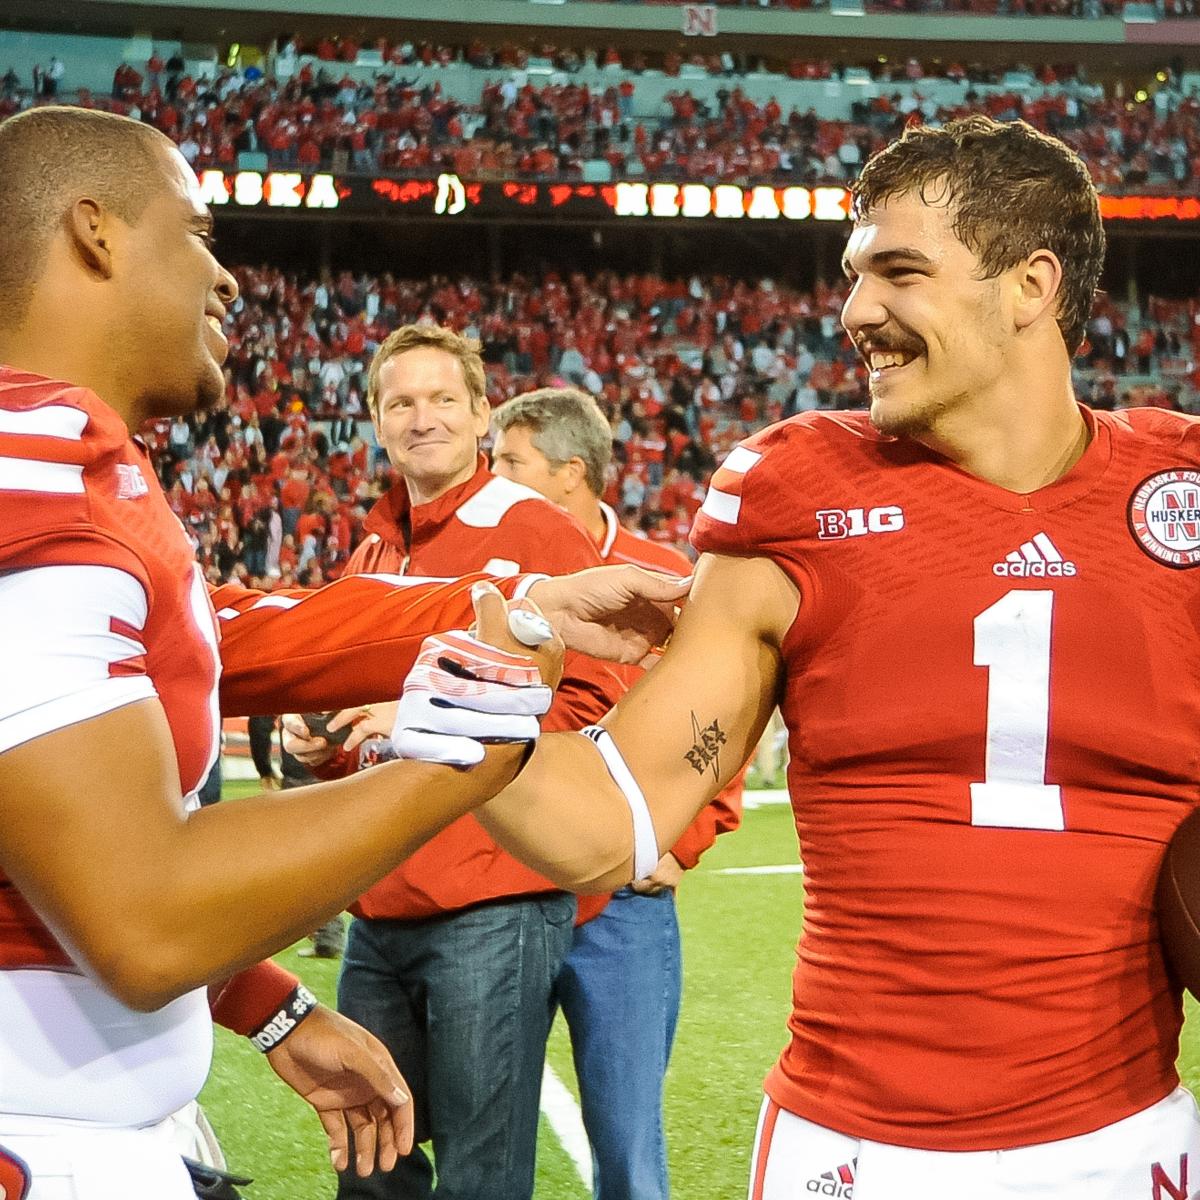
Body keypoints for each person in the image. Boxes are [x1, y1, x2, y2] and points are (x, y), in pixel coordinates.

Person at [421, 115, 1200, 1200]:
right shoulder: (801, 488)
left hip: (1128, 1145)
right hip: (855, 1155)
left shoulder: (1178, 499)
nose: (855, 313)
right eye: (853, 275)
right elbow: (609, 826)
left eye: (899, 272)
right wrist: (487, 694)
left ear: (1030, 285)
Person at [0, 106, 686, 1200]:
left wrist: (526, 602)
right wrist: (458, 763)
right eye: (197, 234)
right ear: (96, 233)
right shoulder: (32, 461)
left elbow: (224, 633)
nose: (226, 281)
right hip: (43, 1135)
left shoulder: (58, 459)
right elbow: (140, 914)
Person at [282, 328, 626, 1200]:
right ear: (376, 424)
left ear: (481, 414)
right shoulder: (371, 552)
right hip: (382, 900)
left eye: (443, 399)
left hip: (493, 899)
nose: (422, 418)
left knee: (481, 1173)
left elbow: (594, 708)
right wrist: (323, 742)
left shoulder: (535, 530)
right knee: (368, 1164)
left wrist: (422, 714)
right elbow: (369, 741)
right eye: (401, 402)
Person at [491, 386, 742, 1200]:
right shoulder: (486, 580)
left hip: (626, 910)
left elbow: (731, 727)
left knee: (629, 1149)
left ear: (571, 474)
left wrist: (682, 840)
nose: (492, 478)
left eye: (509, 463)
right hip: (501, 899)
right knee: (486, 1149)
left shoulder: (665, 577)